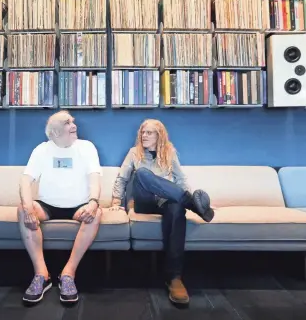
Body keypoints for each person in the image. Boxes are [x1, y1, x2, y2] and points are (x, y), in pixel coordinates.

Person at [110, 119, 214, 305]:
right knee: (142, 174)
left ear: (160, 135)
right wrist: (116, 201)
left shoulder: (169, 152)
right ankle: (193, 204)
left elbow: (181, 180)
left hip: (165, 201)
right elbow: (122, 178)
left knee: (176, 207)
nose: (144, 135)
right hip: (144, 201)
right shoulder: (134, 153)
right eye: (143, 132)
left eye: (149, 133)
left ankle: (174, 277)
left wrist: (184, 194)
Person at [18, 110, 103, 304]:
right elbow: (25, 181)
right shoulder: (41, 149)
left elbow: (95, 178)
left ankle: (68, 274)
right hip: (48, 205)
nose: (74, 125)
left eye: (73, 122)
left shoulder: (86, 147)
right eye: (67, 123)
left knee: (96, 213)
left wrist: (93, 202)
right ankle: (42, 275)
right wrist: (28, 207)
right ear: (55, 133)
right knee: (22, 209)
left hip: (79, 205)